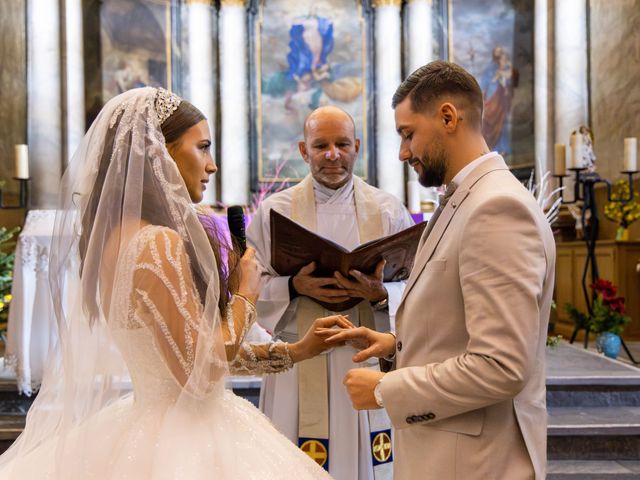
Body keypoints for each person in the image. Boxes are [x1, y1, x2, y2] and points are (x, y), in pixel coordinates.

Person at [0, 87, 345, 479]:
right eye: (202, 147)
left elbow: (189, 351)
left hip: (148, 421)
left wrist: (297, 350)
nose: (211, 165)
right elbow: (199, 375)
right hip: (188, 439)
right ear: (160, 154)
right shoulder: (155, 243)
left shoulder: (117, 238)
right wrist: (247, 290)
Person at [322, 61, 555, 480]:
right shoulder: (466, 200)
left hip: (475, 463)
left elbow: (501, 365)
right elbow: (461, 325)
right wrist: (398, 344)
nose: (403, 152)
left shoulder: (496, 208)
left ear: (448, 117)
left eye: (408, 133)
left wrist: (383, 390)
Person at [247, 105, 413, 480]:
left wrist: (380, 292)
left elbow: (416, 286)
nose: (332, 154)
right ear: (304, 151)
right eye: (321, 145)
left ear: (356, 147)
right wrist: (293, 286)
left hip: (365, 355)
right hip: (300, 355)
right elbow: (248, 286)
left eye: (341, 144)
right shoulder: (277, 212)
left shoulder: (388, 210)